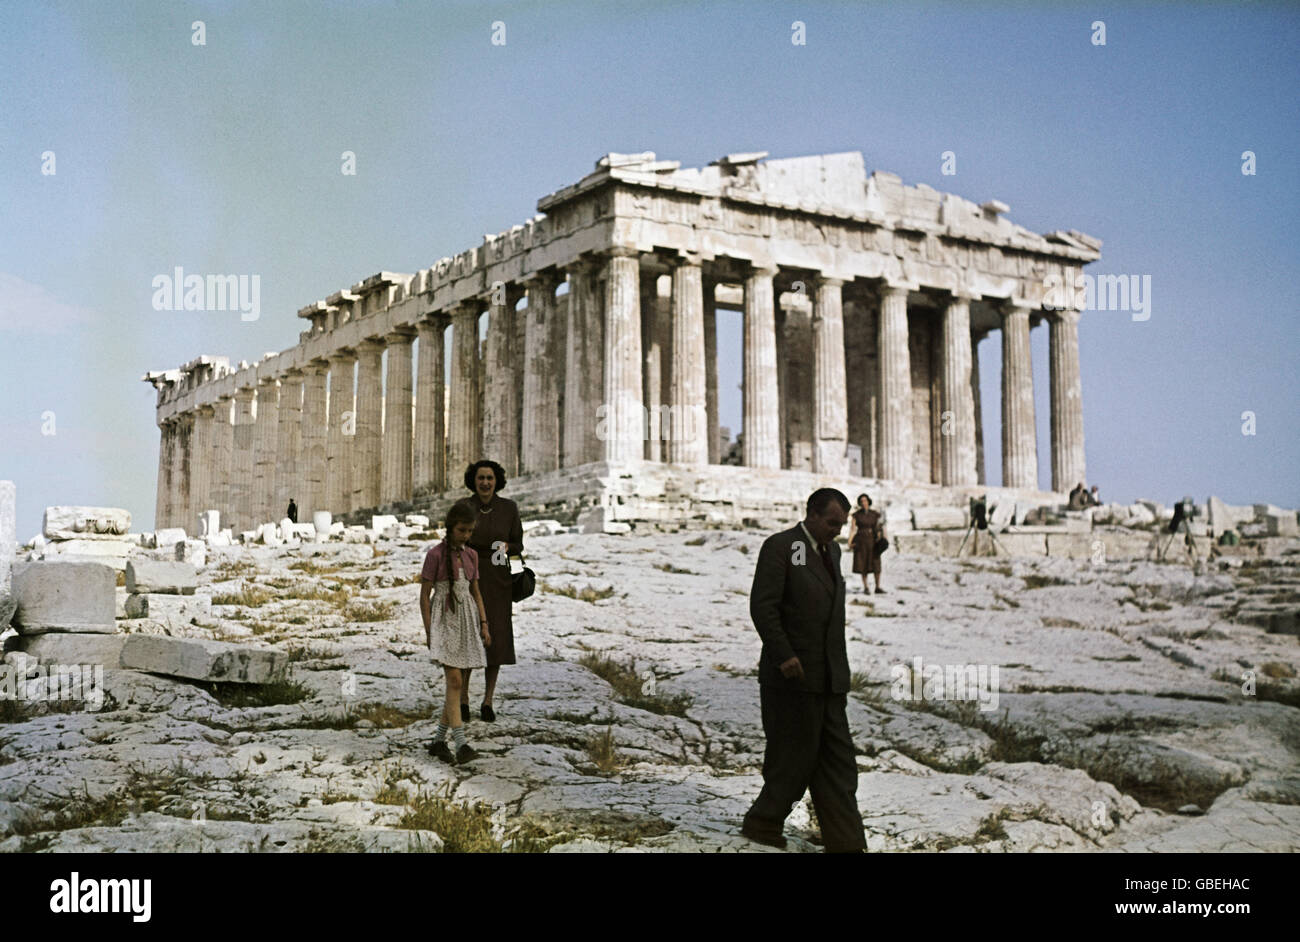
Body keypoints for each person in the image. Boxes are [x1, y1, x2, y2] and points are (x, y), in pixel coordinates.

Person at [741, 488, 867, 853]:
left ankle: (847, 844)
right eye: (831, 523)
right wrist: (783, 654)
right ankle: (762, 823)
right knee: (792, 760)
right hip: (791, 678)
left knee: (839, 765)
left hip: (828, 679)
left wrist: (837, 671)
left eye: (842, 525)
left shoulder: (832, 550)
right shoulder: (780, 546)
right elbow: (763, 606)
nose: (837, 531)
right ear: (810, 514)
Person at [420, 502, 491, 764]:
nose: (466, 536)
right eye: (462, 530)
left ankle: (439, 741)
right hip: (444, 622)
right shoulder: (435, 555)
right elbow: (424, 597)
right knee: (455, 682)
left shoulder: (471, 556)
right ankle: (461, 743)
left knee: (455, 683)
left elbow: (476, 592)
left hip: (466, 621)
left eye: (470, 531)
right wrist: (430, 631)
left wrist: (483, 624)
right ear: (450, 528)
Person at [453, 459, 523, 723]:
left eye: (490, 478)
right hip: (469, 575)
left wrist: (507, 547)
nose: (485, 483)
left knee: (497, 639)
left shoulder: (509, 508)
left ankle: (488, 701)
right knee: (470, 636)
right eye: (481, 478)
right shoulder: (464, 507)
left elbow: (519, 544)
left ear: (497, 481)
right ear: (474, 480)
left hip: (497, 576)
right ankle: (463, 700)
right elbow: (452, 538)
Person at [846, 493, 886, 594]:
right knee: (863, 564)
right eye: (861, 501)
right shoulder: (856, 515)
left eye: (865, 501)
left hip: (873, 540)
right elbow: (852, 529)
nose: (864, 503)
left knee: (876, 563)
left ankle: (877, 587)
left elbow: (879, 527)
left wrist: (882, 537)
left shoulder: (874, 514)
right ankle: (866, 587)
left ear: (869, 501)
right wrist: (850, 541)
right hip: (861, 541)